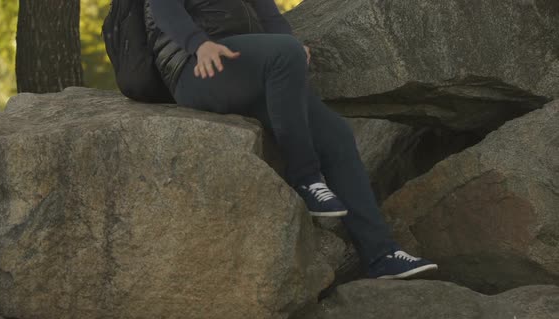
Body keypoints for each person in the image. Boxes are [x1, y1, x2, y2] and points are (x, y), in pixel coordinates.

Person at [145, 0, 438, 279]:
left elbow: (269, 14)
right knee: (284, 51)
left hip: (245, 68)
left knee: (335, 134)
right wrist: (199, 44)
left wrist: (290, 41)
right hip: (195, 67)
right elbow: (163, 7)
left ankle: (381, 256)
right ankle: (306, 177)